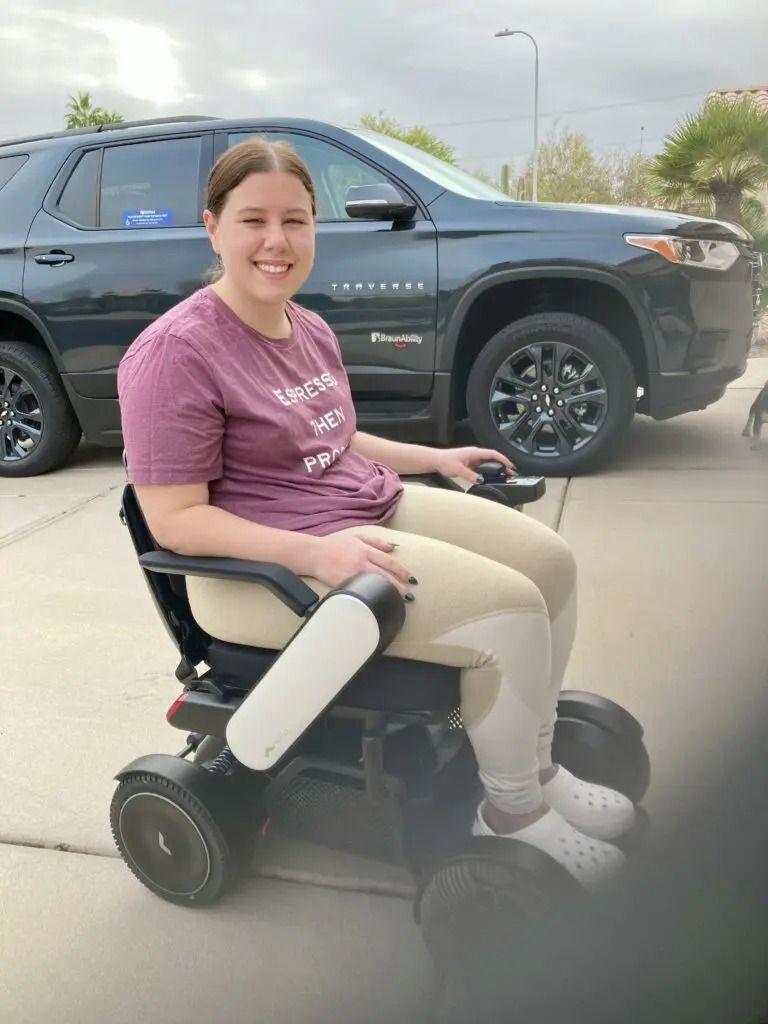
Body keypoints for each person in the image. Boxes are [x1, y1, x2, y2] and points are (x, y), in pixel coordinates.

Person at [117, 138, 635, 890]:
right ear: (212, 226)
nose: (276, 241)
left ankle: (540, 766)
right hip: (260, 576)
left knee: (552, 564)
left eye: (295, 221)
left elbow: (328, 435)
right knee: (511, 613)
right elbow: (174, 521)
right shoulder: (174, 354)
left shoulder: (306, 327)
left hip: (359, 507)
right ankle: (513, 811)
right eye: (253, 219)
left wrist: (435, 459)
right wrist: (313, 554)